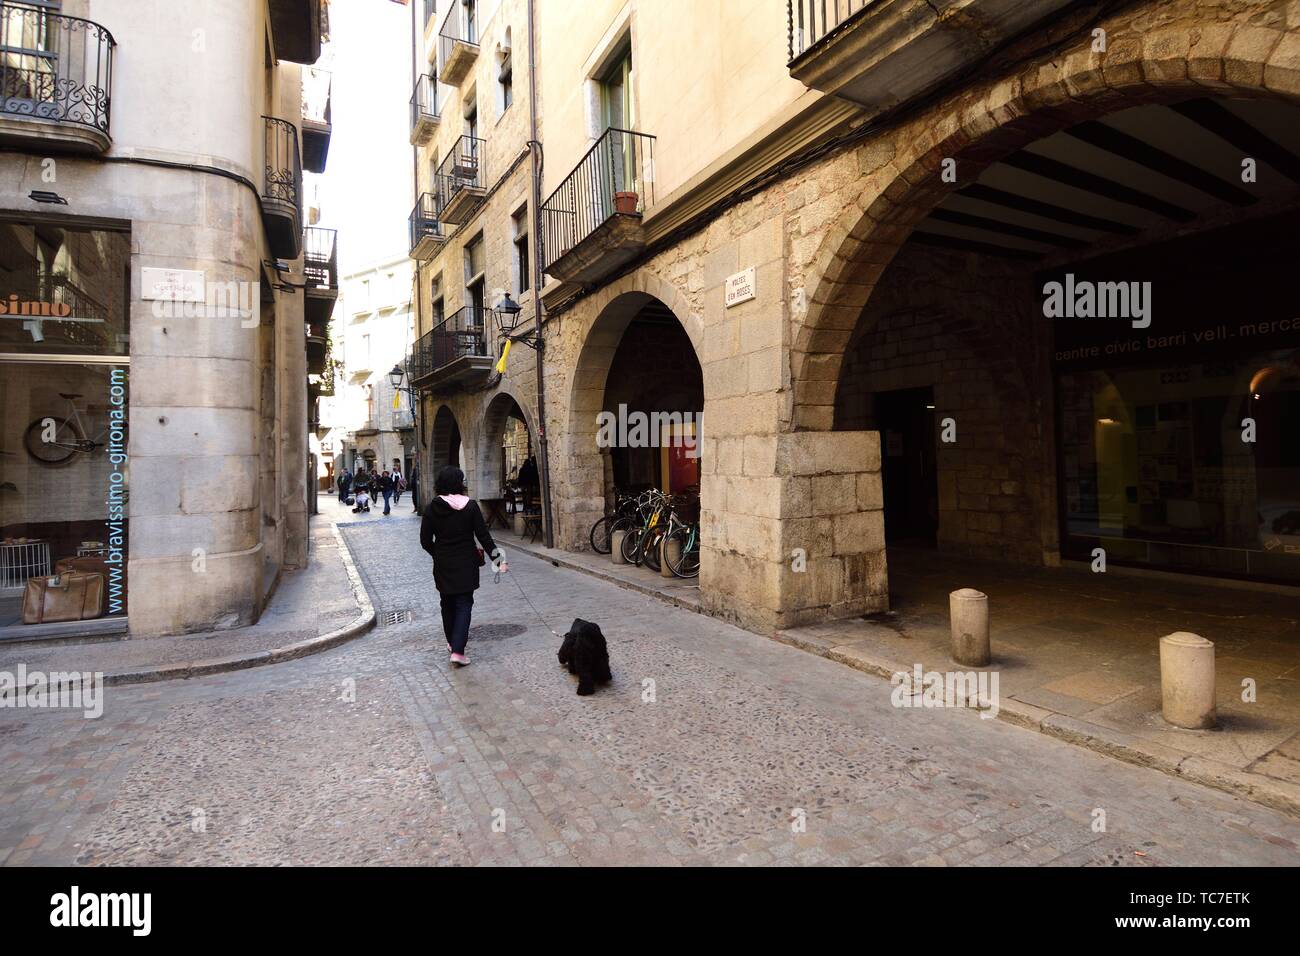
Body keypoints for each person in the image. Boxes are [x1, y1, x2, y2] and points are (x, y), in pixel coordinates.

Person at [420, 465, 507, 668]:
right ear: (459, 483)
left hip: (443, 563)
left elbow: (425, 541)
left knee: (447, 603)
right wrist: (498, 560)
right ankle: (458, 650)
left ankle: (453, 643)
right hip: (466, 562)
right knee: (464, 604)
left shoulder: (432, 508)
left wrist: (438, 553)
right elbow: (483, 537)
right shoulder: (471, 506)